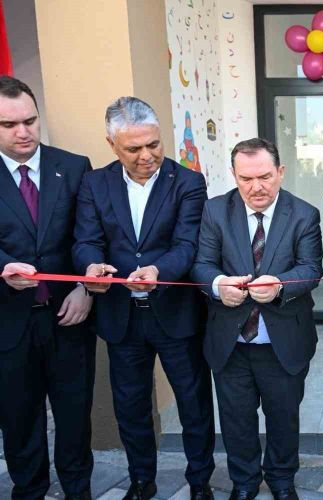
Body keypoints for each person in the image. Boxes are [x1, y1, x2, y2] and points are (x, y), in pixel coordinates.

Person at [73, 97, 214, 500]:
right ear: (111, 145)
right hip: (121, 316)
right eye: (133, 149)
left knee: (194, 406)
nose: (147, 156)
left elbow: (188, 244)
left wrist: (160, 272)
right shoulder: (94, 183)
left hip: (176, 315)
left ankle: (200, 482)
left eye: (153, 144)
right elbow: (86, 240)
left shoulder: (188, 182)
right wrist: (91, 268)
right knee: (131, 408)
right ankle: (141, 480)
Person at [192, 138, 323, 500]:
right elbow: (202, 264)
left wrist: (281, 285)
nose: (256, 187)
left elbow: (311, 268)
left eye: (265, 176)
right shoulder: (216, 211)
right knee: (236, 421)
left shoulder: (304, 214)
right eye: (246, 179)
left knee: (283, 418)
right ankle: (245, 483)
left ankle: (282, 481)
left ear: (280, 172)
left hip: (283, 339)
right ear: (234, 176)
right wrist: (219, 286)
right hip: (230, 341)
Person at [0, 76, 95, 500]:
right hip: (9, 322)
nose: (23, 132)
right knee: (19, 419)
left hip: (69, 317)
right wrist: (3, 267)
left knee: (75, 416)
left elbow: (90, 236)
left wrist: (84, 287)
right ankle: (30, 490)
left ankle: (78, 490)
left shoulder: (74, 166)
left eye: (30, 120)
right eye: (8, 125)